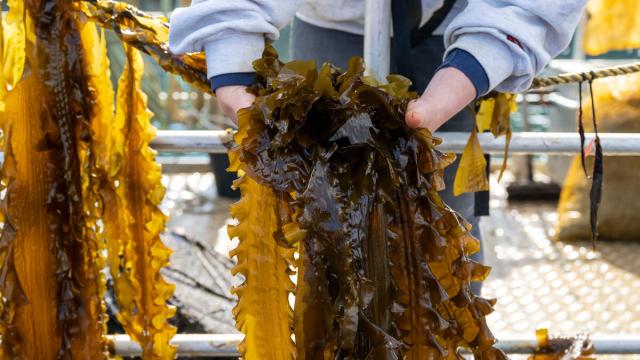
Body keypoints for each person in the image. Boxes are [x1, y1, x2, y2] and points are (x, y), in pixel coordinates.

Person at [168, 0, 587, 294]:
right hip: (333, 18)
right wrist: (233, 54)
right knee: (322, 230)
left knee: (450, 226)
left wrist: (481, 60)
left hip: (466, 26)